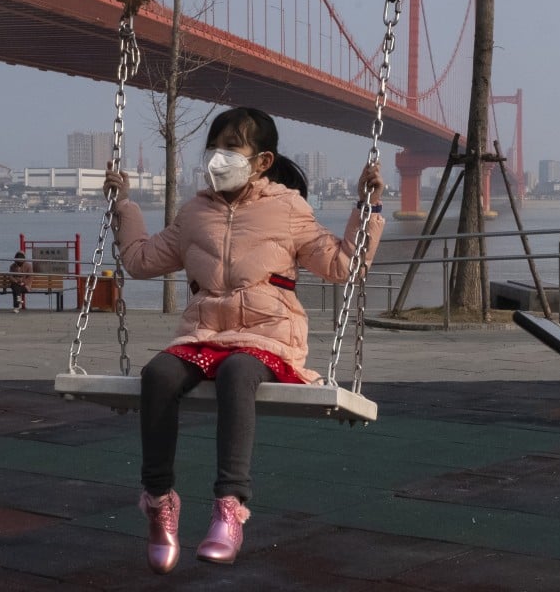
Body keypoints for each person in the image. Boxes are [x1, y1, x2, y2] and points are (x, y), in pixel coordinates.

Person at [103, 107, 385, 575]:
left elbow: (343, 266)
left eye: (232, 146)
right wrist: (125, 207)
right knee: (157, 374)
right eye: (214, 146)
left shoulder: (289, 209)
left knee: (238, 372)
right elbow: (139, 260)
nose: (218, 156)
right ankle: (158, 501)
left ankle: (229, 506)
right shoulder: (193, 213)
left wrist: (367, 208)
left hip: (267, 336)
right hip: (204, 331)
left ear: (262, 160)